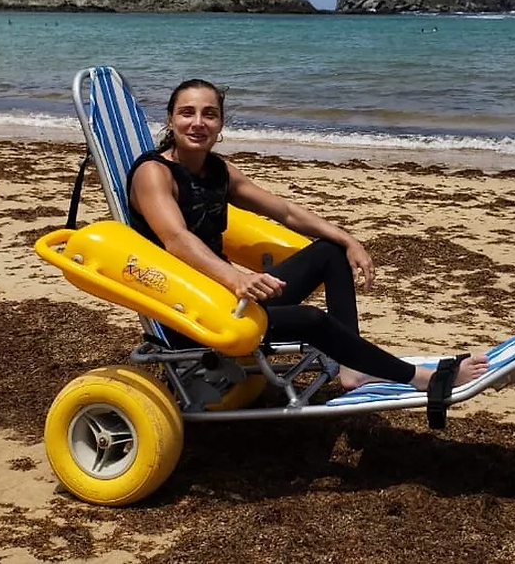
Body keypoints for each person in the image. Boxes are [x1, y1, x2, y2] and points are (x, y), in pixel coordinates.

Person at [127, 79, 489, 391]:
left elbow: (284, 211)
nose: (198, 123)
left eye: (209, 114)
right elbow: (175, 239)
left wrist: (348, 239)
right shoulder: (154, 174)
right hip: (190, 312)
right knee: (311, 320)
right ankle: (420, 378)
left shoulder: (217, 170)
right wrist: (236, 277)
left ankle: (354, 369)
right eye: (187, 113)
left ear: (221, 123)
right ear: (170, 119)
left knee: (330, 252)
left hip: (229, 299)